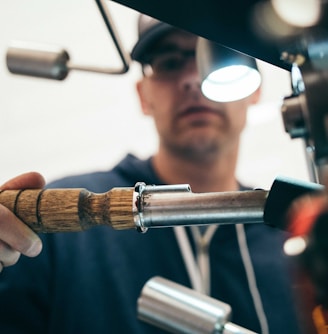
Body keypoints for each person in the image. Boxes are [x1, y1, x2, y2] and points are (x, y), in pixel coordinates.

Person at [0, 14, 302, 334]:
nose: (192, 78)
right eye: (170, 63)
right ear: (144, 95)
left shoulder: (293, 244)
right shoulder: (59, 225)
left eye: (217, 58)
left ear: (254, 90)